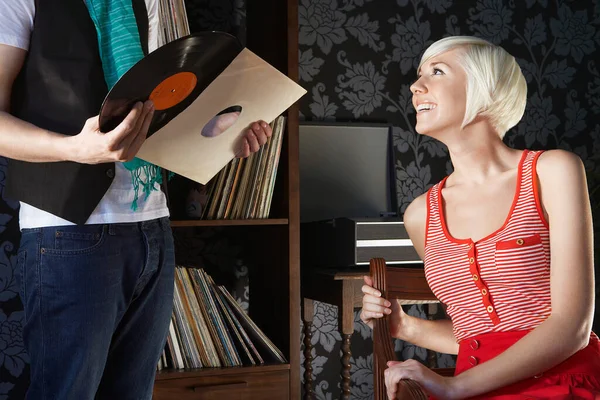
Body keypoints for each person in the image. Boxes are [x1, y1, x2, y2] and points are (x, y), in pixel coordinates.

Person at [0, 1, 271, 399]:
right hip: (68, 234)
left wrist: (224, 134)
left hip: (152, 227)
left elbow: (155, 115)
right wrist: (75, 149)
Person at [360, 35, 600, 400]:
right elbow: (474, 331)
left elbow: (572, 328)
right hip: (474, 387)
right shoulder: (420, 214)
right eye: (419, 74)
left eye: (437, 71)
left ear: (484, 89)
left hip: (561, 383)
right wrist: (405, 326)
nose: (414, 86)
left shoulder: (553, 171)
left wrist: (454, 387)